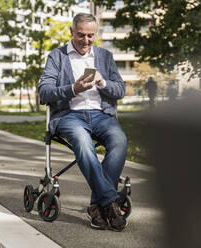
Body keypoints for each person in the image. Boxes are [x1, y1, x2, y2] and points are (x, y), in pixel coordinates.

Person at [39, 13, 127, 231]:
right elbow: (44, 92)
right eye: (81, 35)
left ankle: (97, 206)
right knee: (83, 141)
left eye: (91, 36)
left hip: (101, 115)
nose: (86, 41)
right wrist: (72, 89)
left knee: (120, 141)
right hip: (69, 116)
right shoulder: (57, 57)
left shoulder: (105, 56)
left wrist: (103, 82)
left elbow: (120, 90)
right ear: (71, 32)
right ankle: (108, 202)